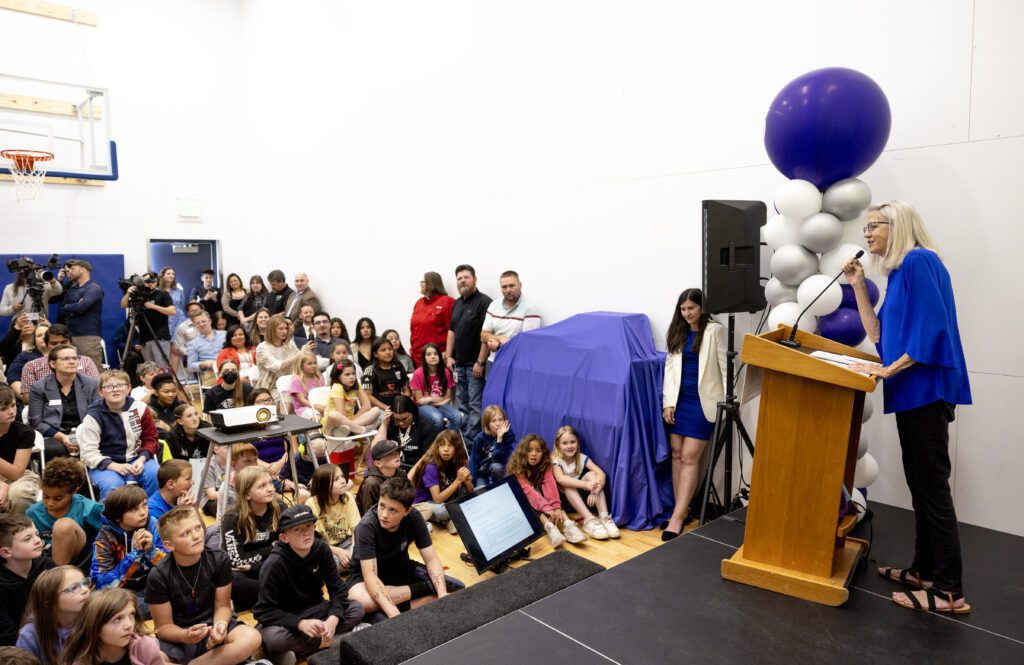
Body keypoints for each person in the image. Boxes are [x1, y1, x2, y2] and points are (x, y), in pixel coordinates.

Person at [842, 201, 972, 614]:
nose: (867, 235)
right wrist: (859, 285)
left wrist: (888, 370)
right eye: (865, 229)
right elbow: (879, 333)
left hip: (927, 392)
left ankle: (949, 590)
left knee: (932, 489)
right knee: (919, 484)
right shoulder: (898, 272)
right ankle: (924, 571)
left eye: (873, 226)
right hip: (910, 393)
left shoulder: (919, 261)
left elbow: (932, 332)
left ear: (896, 225)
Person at [148, 507, 265, 665]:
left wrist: (221, 626)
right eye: (185, 533)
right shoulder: (158, 575)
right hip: (179, 635)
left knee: (252, 637)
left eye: (197, 528)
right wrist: (185, 635)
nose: (196, 535)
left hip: (213, 624)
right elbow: (163, 627)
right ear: (169, 545)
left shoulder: (219, 559)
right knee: (154, 659)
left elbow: (223, 606)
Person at [254, 505, 365, 662]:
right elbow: (263, 611)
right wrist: (300, 624)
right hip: (287, 618)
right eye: (297, 530)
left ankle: (302, 648)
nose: (306, 532)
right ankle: (338, 641)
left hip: (317, 609)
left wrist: (333, 619)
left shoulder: (322, 549)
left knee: (357, 608)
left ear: (314, 527)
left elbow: (338, 589)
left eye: (308, 526)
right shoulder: (274, 564)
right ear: (284, 537)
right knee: (272, 637)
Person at [660, 287, 727, 541]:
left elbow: (725, 369)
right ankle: (683, 509)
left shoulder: (715, 331)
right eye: (683, 309)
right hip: (679, 401)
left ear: (702, 308)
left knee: (689, 457)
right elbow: (669, 369)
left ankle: (676, 519)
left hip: (703, 403)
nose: (687, 313)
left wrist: (729, 403)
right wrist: (668, 402)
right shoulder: (678, 331)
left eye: (692, 308)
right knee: (676, 455)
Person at [346, 477, 462, 619]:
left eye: (393, 510)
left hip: (401, 568)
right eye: (381, 505)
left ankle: (427, 594)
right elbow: (371, 578)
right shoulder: (366, 526)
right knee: (362, 601)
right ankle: (425, 591)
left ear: (407, 511)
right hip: (365, 576)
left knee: (457, 586)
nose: (384, 514)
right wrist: (393, 613)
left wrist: (442, 593)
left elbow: (431, 559)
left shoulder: (414, 517)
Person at [77, 370, 160, 500]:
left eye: (120, 385)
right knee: (113, 486)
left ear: (128, 388)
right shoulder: (93, 416)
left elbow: (151, 439)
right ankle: (111, 519)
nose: (115, 390)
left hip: (136, 459)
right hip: (106, 464)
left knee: (155, 474)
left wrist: (142, 458)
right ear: (101, 392)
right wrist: (114, 466)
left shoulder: (140, 408)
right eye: (108, 387)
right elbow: (88, 453)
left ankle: (152, 512)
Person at [90, 484, 166, 614]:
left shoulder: (152, 525)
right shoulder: (104, 539)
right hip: (120, 595)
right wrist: (134, 554)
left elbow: (171, 565)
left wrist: (151, 551)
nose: (143, 512)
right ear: (118, 516)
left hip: (151, 586)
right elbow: (100, 585)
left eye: (145, 505)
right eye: (134, 509)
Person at [220, 466, 286, 611]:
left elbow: (287, 545)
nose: (270, 489)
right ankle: (279, 596)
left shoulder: (280, 508)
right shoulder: (232, 519)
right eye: (262, 486)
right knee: (233, 582)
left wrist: (256, 564)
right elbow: (237, 561)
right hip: (244, 573)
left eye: (270, 483)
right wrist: (273, 546)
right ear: (247, 494)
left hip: (272, 565)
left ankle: (256, 601)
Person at [507, 434, 587, 547]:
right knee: (530, 493)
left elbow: (550, 485)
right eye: (529, 450)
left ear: (543, 453)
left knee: (543, 488)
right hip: (523, 500)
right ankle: (550, 527)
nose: (534, 454)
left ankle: (568, 524)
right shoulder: (517, 467)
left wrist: (556, 507)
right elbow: (529, 492)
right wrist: (547, 508)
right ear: (523, 452)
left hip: (539, 497)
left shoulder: (545, 464)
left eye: (538, 450)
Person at [26, 458, 103, 568]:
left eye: (58, 498)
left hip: (80, 559)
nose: (50, 503)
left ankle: (58, 578)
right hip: (44, 559)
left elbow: (110, 532)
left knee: (63, 526)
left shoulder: (88, 508)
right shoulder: (33, 512)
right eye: (46, 496)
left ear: (74, 491)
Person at [28, 345, 99, 460]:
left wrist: (82, 436)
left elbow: (97, 414)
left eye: (74, 358)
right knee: (55, 450)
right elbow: (36, 421)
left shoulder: (90, 383)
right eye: (65, 359)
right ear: (53, 364)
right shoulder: (39, 387)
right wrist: (63, 437)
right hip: (53, 435)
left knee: (98, 445)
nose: (72, 362)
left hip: (85, 432)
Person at [446, 264, 492, 441]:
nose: (462, 281)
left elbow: (486, 335)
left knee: (475, 405)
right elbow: (452, 332)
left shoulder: (484, 302)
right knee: (461, 405)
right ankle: (463, 441)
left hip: (475, 366)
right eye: (459, 278)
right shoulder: (457, 303)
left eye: (466, 277)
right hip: (459, 365)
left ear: (475, 279)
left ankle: (472, 443)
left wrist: (480, 362)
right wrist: (449, 356)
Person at [60, 587, 164, 665]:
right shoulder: (81, 660)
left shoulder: (146, 647)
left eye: (131, 615)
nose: (128, 625)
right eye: (117, 619)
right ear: (95, 627)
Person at [551, 425, 620, 540]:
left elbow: (601, 474)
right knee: (568, 484)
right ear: (558, 445)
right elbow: (560, 479)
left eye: (572, 442)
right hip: (566, 501)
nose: (569, 446)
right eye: (565, 443)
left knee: (592, 475)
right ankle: (589, 520)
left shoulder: (582, 458)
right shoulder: (555, 460)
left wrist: (595, 491)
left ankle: (604, 517)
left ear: (577, 443)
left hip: (585, 499)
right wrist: (586, 485)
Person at [16, 565, 91, 664]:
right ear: (50, 603)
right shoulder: (30, 635)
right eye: (74, 588)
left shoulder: (95, 619)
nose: (85, 590)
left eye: (85, 583)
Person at [0, 515, 55, 647]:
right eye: (27, 539)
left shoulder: (47, 565)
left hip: (51, 632)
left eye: (36, 534)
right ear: (6, 552)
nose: (37, 541)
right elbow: (6, 634)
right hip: (16, 645)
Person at [17, 325, 100, 405]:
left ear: (70, 342)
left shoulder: (86, 361)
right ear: (46, 344)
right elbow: (27, 398)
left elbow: (96, 391)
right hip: (47, 409)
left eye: (64, 342)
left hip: (83, 407)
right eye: (54, 343)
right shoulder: (32, 366)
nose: (60, 346)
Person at [409, 430, 472, 534]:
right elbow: (437, 499)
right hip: (428, 503)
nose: (445, 449)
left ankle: (450, 518)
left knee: (480, 490)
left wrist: (468, 483)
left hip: (449, 500)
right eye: (442, 445)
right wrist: (458, 481)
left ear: (457, 448)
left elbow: (470, 492)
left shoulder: (458, 462)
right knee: (443, 511)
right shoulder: (430, 467)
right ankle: (452, 518)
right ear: (437, 447)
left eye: (450, 446)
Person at [480, 270, 542, 371]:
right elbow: (483, 335)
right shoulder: (494, 305)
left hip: (516, 365)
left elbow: (527, 343)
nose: (508, 290)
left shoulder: (531, 308)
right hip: (493, 362)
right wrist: (500, 338)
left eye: (512, 285)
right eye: (504, 287)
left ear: (520, 285)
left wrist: (499, 346)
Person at [119, 272, 176, 372]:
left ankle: (166, 385)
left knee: (162, 368)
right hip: (145, 339)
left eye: (152, 281)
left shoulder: (162, 294)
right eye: (146, 281)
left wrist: (153, 306)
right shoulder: (139, 295)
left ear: (157, 282)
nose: (149, 283)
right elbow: (123, 305)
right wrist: (128, 293)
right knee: (149, 370)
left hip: (160, 337)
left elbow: (172, 311)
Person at [308, 464, 358, 573]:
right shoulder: (311, 504)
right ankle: (355, 566)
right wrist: (338, 552)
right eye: (336, 479)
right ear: (323, 485)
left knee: (367, 547)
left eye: (342, 476)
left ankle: (351, 564)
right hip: (324, 547)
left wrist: (354, 550)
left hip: (346, 541)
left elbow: (356, 530)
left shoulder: (348, 497)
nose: (343, 481)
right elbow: (313, 540)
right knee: (318, 564)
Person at [55, 260, 104, 368]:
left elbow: (81, 306)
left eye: (73, 269)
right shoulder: (73, 289)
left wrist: (71, 307)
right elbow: (64, 307)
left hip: (87, 336)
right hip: (71, 335)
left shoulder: (93, 288)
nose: (70, 272)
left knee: (92, 369)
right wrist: (73, 306)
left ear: (83, 269)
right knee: (72, 369)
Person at [410, 343, 461, 441]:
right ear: (424, 358)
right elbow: (420, 401)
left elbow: (448, 396)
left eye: (435, 354)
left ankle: (449, 442)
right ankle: (436, 446)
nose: (433, 356)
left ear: (439, 356)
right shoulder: (418, 374)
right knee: (437, 419)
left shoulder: (446, 372)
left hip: (440, 404)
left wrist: (429, 399)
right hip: (423, 407)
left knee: (457, 417)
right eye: (428, 354)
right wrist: (440, 401)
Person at [0, 385, 38, 515]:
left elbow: (16, 473)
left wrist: (6, 485)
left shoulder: (24, 432)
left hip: (21, 476)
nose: (11, 411)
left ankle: (19, 531)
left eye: (13, 405)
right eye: (3, 409)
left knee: (19, 494)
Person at [256, 313, 311, 402]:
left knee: (310, 392)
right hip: (270, 388)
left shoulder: (289, 345)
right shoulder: (262, 348)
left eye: (286, 328)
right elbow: (279, 366)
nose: (285, 331)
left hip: (290, 384)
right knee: (289, 396)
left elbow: (302, 360)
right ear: (272, 330)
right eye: (281, 329)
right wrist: (302, 353)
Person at [409, 271, 455, 368]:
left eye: (423, 281)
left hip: (437, 358)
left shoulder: (447, 302)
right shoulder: (419, 302)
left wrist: (448, 354)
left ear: (431, 283)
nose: (420, 284)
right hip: (417, 358)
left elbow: (452, 330)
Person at [322, 360, 379, 438]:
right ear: (339, 376)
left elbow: (367, 406)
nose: (352, 377)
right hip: (333, 424)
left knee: (376, 410)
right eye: (347, 374)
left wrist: (352, 422)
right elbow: (341, 413)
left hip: (349, 422)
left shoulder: (356, 385)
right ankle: (361, 430)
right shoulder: (337, 387)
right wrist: (351, 423)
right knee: (334, 415)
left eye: (353, 373)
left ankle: (348, 430)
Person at [469, 404, 515, 489]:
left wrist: (499, 438)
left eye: (500, 420)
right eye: (493, 421)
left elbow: (498, 460)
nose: (498, 424)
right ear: (487, 424)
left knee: (496, 466)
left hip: (499, 468)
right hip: (482, 470)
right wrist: (472, 482)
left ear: (505, 420)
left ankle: (498, 486)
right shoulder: (480, 438)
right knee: (480, 491)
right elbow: (473, 461)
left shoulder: (509, 435)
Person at [356, 439, 407, 516]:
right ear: (378, 463)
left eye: (397, 452)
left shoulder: (401, 474)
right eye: (390, 455)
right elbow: (368, 514)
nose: (396, 456)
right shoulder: (371, 483)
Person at [361, 336, 411, 411]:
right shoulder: (369, 370)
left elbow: (406, 391)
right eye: (383, 350)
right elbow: (368, 396)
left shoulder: (398, 367)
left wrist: (401, 405)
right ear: (375, 354)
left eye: (390, 349)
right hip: (379, 409)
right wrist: (386, 408)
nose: (388, 352)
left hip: (399, 407)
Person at [187, 311, 227, 387]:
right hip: (210, 374)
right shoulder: (193, 344)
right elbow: (190, 366)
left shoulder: (225, 335)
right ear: (195, 325)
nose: (201, 324)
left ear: (210, 321)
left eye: (203, 321)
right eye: (198, 323)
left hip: (229, 368)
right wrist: (203, 364)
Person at [290, 351, 326, 421]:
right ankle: (314, 432)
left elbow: (323, 393)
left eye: (315, 363)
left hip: (320, 405)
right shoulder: (297, 380)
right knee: (316, 416)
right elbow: (302, 400)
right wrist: (316, 407)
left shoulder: (319, 377)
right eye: (309, 364)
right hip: (304, 408)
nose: (313, 365)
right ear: (301, 366)